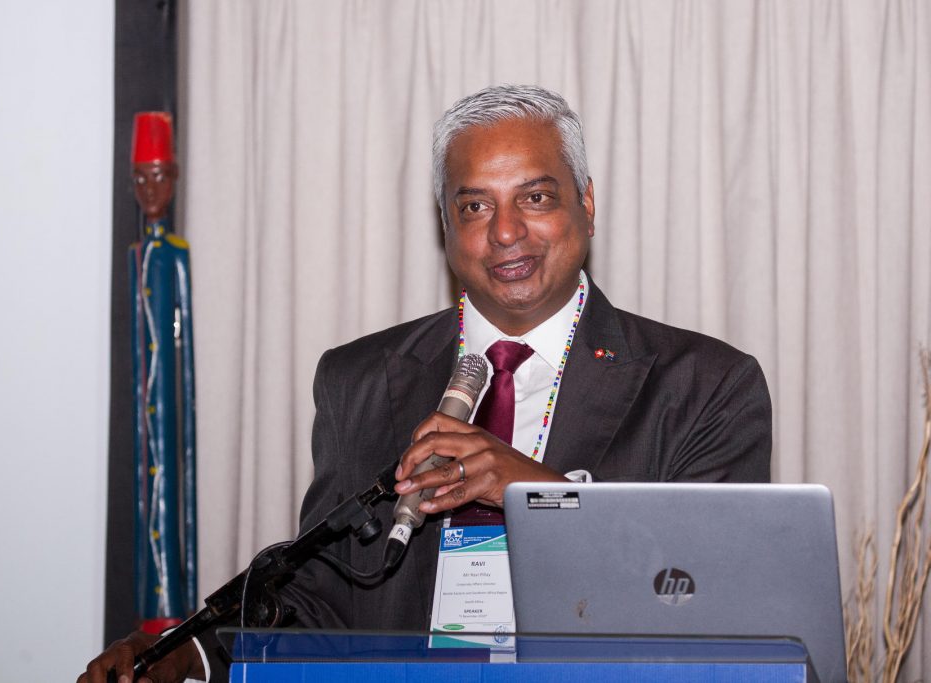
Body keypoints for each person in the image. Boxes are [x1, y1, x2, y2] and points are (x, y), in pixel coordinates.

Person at [80, 84, 771, 683]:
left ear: (586, 204)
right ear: (445, 225)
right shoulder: (357, 380)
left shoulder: (704, 386)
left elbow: (700, 596)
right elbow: (322, 602)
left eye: (534, 197)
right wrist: (188, 658)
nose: (506, 232)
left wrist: (535, 493)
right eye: (474, 207)